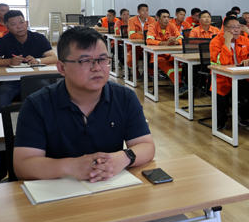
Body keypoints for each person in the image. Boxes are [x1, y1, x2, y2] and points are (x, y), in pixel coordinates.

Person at [12, 26, 155, 182]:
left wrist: (123, 158)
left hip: (109, 186)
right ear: (62, 68)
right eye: (85, 61)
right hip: (56, 189)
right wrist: (71, 167)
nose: (97, 68)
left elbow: (146, 146)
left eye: (102, 59)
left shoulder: (125, 97)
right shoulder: (36, 105)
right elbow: (23, 166)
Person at [0, 10, 58, 108]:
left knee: (46, 91)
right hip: (12, 80)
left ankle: (45, 117)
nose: (19, 27)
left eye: (21, 22)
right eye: (13, 24)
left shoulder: (39, 38)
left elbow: (54, 58)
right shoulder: (4, 40)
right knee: (2, 94)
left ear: (27, 23)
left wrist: (38, 60)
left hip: (35, 78)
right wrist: (9, 61)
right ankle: (4, 118)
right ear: (7, 27)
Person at [209, 16, 249, 130]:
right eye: (233, 27)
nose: (236, 30)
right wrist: (227, 41)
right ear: (225, 29)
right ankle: (221, 118)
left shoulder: (244, 40)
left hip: (241, 79)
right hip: (222, 81)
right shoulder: (215, 42)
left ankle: (241, 115)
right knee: (220, 121)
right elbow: (224, 62)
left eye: (238, 27)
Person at [146, 9, 185, 94]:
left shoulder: (172, 25)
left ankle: (185, 84)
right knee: (169, 68)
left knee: (181, 65)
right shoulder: (152, 26)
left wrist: (176, 42)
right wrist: (165, 43)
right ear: (158, 18)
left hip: (171, 54)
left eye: (168, 17)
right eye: (164, 17)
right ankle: (180, 86)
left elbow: (180, 38)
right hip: (158, 56)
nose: (166, 19)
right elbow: (149, 41)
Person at [127, 3, 156, 74]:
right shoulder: (132, 20)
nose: (145, 12)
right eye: (143, 10)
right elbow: (132, 35)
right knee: (130, 61)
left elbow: (154, 34)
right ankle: (136, 73)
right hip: (134, 48)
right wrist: (146, 35)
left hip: (148, 47)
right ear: (138, 12)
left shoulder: (152, 20)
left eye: (147, 10)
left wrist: (140, 32)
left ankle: (150, 74)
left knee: (155, 58)